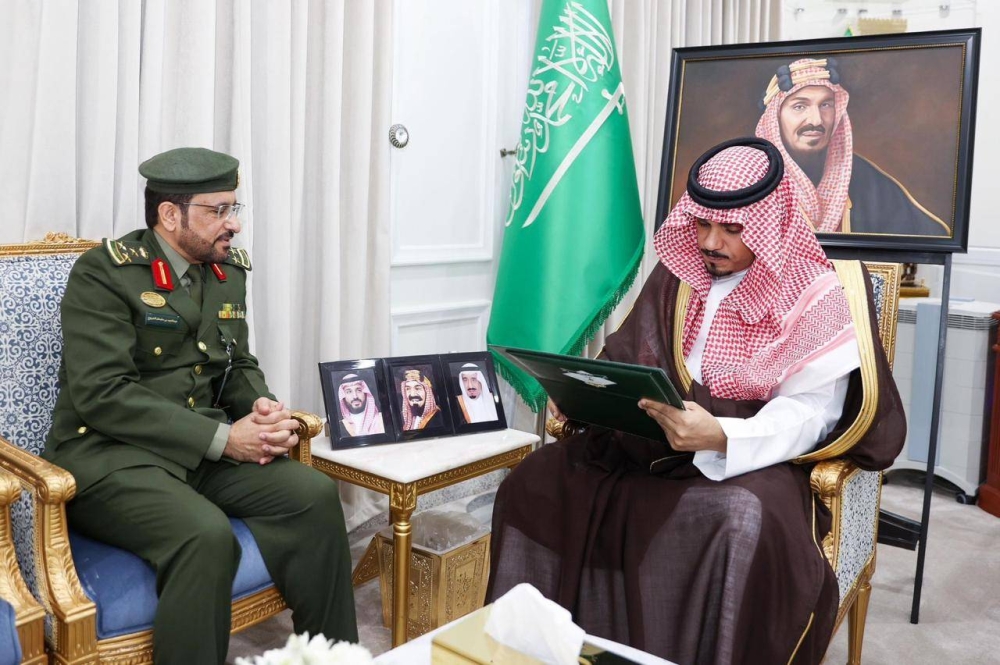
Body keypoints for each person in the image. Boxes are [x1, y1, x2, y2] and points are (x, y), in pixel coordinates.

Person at [486, 138, 905, 663]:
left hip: (751, 456)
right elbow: (628, 357)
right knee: (534, 481)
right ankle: (549, 650)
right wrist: (581, 397)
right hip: (648, 443)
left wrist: (723, 436)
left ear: (770, 223)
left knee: (737, 520)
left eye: (732, 229)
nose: (709, 242)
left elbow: (813, 413)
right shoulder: (678, 277)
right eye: (702, 224)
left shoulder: (816, 292)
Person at [42, 147, 358, 664]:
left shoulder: (226, 270)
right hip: (111, 457)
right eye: (219, 210)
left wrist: (262, 408)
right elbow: (103, 393)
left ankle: (333, 656)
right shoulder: (104, 274)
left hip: (198, 450)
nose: (234, 223)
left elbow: (236, 363)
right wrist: (226, 439)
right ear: (171, 215)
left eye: (235, 208)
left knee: (314, 494)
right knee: (204, 535)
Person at [755, 57, 950, 236]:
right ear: (775, 117)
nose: (816, 120)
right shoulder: (752, 177)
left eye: (825, 105)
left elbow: (931, 237)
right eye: (800, 106)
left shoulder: (865, 179)